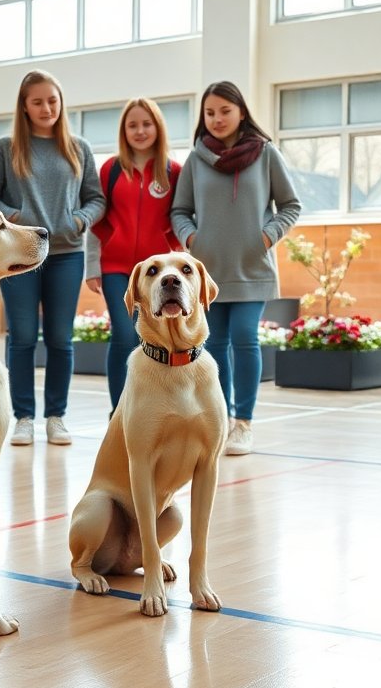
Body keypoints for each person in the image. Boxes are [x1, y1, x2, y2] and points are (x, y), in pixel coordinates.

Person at [170, 81, 301, 456]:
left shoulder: (266, 154)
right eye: (210, 113)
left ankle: (244, 422)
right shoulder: (196, 160)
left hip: (252, 266)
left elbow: (290, 205)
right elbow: (179, 211)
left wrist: (266, 236)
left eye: (225, 111)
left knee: (245, 338)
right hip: (209, 272)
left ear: (241, 111)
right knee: (216, 344)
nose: (217, 119)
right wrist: (193, 240)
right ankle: (221, 418)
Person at [0, 70, 104, 446]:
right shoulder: (5, 149)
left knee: (59, 338)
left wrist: (80, 219)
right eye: (37, 101)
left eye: (52, 100)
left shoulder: (78, 147)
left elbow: (96, 199)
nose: (46, 108)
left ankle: (56, 416)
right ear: (24, 106)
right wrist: (14, 217)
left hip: (66, 255)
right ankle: (23, 417)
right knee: (21, 336)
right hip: (20, 255)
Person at [84, 98, 182, 414]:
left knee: (157, 339)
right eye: (132, 125)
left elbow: (182, 217)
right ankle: (120, 411)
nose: (139, 131)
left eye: (146, 124)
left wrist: (177, 257)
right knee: (125, 334)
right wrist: (91, 266)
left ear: (158, 127)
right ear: (124, 131)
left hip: (158, 274)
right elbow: (97, 221)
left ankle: (154, 408)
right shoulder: (111, 170)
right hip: (116, 268)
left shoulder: (174, 171)